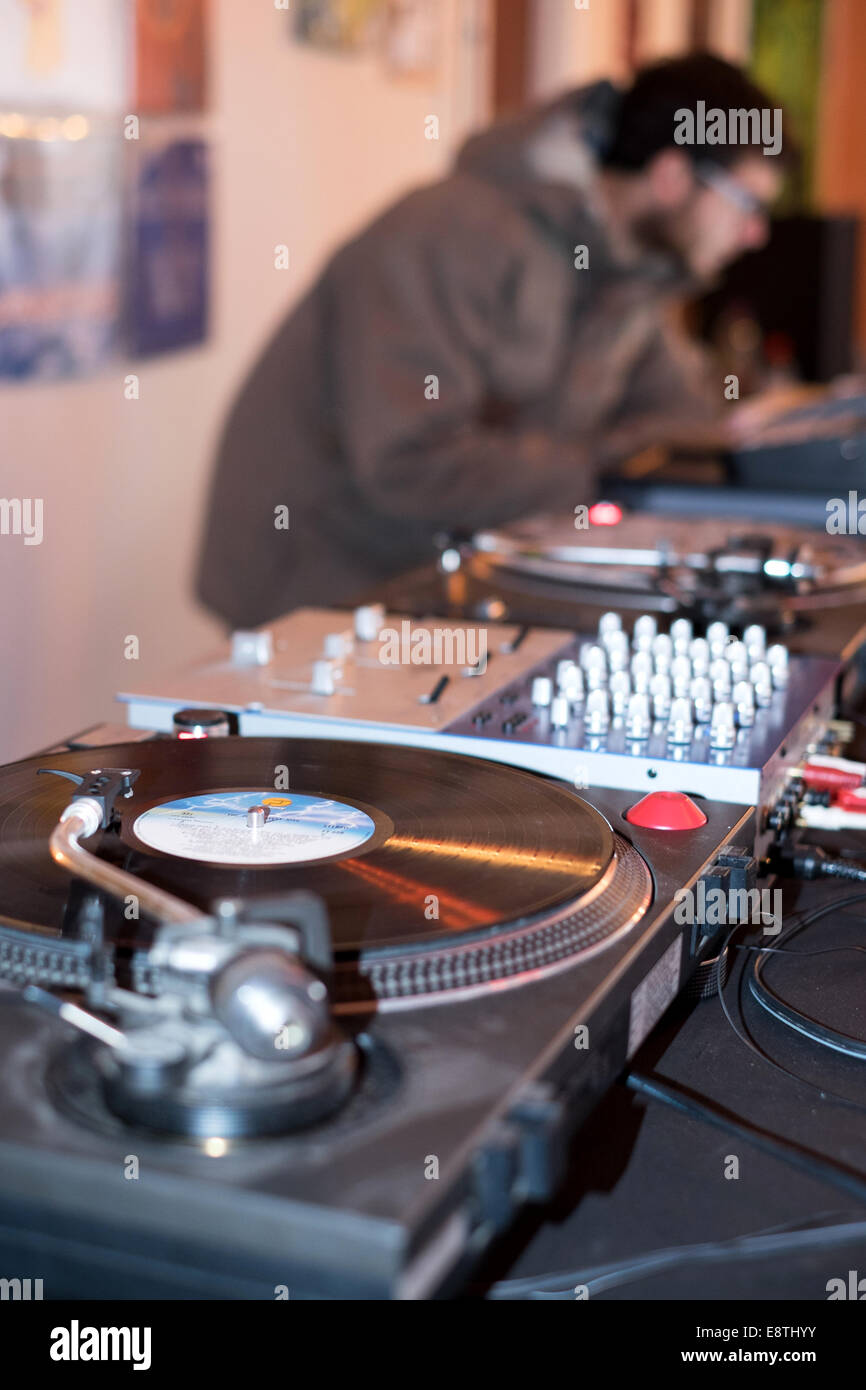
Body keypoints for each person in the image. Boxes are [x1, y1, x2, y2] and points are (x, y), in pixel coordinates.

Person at [197, 54, 790, 629]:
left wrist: (765, 447)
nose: (758, 234)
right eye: (750, 203)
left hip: (448, 577)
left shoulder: (630, 269)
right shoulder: (451, 235)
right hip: (321, 581)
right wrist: (603, 472)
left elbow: (672, 422)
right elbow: (411, 463)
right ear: (671, 175)